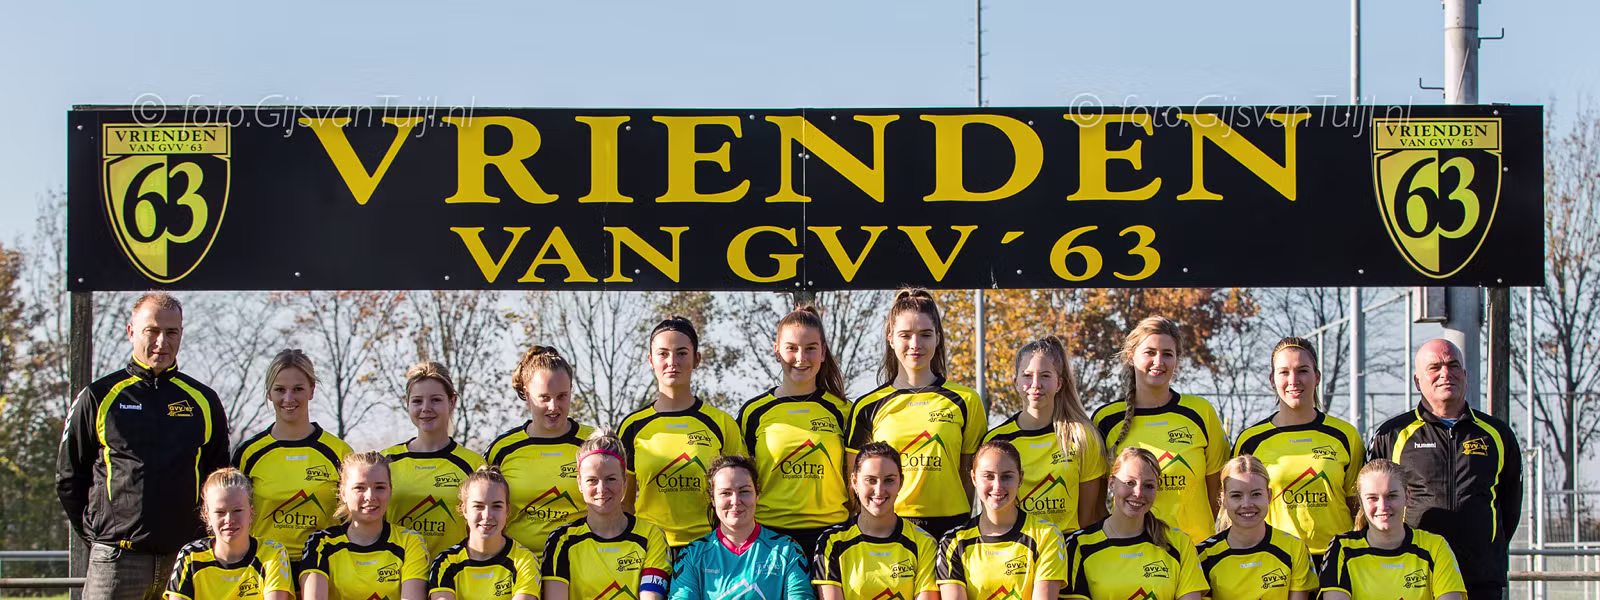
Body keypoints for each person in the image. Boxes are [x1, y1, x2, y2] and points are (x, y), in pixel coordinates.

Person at [57, 291, 231, 600]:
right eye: (152, 330)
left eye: (171, 332)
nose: (162, 341)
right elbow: (70, 479)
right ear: (131, 331)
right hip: (116, 560)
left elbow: (219, 478)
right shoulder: (98, 396)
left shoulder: (204, 400)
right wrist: (100, 537)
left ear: (181, 333)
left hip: (187, 559)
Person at [1368, 338, 1522, 600]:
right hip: (1413, 575)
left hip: (1480, 577)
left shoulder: (1497, 434)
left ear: (1465, 374)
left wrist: (1485, 544)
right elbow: (1370, 501)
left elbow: (1510, 507)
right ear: (1417, 381)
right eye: (1435, 367)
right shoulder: (1391, 434)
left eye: (1453, 365)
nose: (1445, 373)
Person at [848, 289, 985, 539]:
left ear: (938, 338)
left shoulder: (966, 400)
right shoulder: (867, 405)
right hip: (890, 527)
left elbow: (970, 475)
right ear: (891, 338)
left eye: (925, 334)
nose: (915, 344)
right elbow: (855, 483)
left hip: (951, 528)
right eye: (905, 335)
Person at [1091, 315, 1227, 540]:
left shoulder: (1201, 412)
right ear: (1131, 356)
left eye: (1167, 354)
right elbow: (1095, 504)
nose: (1159, 361)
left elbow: (1218, 492)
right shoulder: (1106, 419)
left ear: (1176, 360)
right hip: (1129, 551)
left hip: (1195, 550)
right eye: (1150, 352)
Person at [620, 317, 746, 551]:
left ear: (697, 359)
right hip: (651, 550)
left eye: (681, 353)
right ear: (650, 360)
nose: (672, 362)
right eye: (663, 354)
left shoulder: (721, 423)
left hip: (709, 549)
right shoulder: (632, 426)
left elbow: (743, 493)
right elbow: (624, 505)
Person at [1232, 337, 1363, 558]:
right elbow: (1237, 507)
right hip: (1275, 557)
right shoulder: (1251, 440)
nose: (1293, 380)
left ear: (1317, 376)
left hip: (1337, 557)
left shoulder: (1345, 435)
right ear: (1272, 379)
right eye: (1284, 372)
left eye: (1302, 370)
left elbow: (1357, 507)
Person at [738, 305, 851, 557]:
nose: (801, 357)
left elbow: (857, 476)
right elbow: (739, 479)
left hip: (832, 534)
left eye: (810, 348)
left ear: (823, 352)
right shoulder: (753, 412)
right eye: (791, 348)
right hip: (769, 536)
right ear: (777, 350)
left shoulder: (843, 410)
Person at [232, 349, 354, 551]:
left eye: (298, 389)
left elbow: (355, 518)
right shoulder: (248, 453)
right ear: (269, 393)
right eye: (280, 390)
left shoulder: (339, 452)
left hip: (324, 564)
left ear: (312, 390)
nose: (288, 398)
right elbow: (231, 515)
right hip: (264, 564)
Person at [983, 336, 1108, 532]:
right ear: (1016, 382)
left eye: (1045, 376)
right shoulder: (996, 441)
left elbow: (1088, 519)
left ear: (1059, 383)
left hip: (1068, 546)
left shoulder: (1082, 437)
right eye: (1027, 375)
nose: (1036, 384)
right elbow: (992, 513)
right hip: (1017, 546)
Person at [486, 346, 596, 556]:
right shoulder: (502, 449)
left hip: (581, 561)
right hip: (518, 564)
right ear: (527, 394)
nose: (554, 406)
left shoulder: (594, 442)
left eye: (562, 396)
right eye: (544, 398)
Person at [1061, 447, 1206, 600]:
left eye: (1148, 486)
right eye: (1130, 483)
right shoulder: (1079, 545)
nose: (1138, 493)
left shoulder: (1180, 543)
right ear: (1111, 483)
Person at [542, 431, 671, 600]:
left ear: (625, 481)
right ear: (579, 483)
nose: (602, 489)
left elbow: (651, 597)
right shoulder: (561, 540)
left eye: (611, 479)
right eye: (592, 480)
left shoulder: (652, 536)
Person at [936, 440, 1068, 600]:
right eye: (988, 476)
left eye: (1006, 477)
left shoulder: (1047, 535)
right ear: (973, 478)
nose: (997, 486)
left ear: (1020, 478)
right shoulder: (953, 542)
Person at [670, 455, 813, 600]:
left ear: (757, 494)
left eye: (744, 491)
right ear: (713, 499)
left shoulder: (787, 550)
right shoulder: (691, 555)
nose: (735, 501)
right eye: (725, 493)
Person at [1318, 459, 1466, 600]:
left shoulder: (1435, 546)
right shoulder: (1342, 547)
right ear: (1360, 501)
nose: (1383, 506)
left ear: (1407, 496)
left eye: (1392, 496)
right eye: (1373, 498)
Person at [383, 362, 488, 557]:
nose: (426, 408)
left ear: (452, 401)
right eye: (417, 401)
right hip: (394, 572)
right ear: (407, 403)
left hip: (453, 573)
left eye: (436, 400)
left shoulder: (474, 465)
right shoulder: (385, 462)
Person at [813, 442, 939, 600]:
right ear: (854, 482)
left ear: (901, 483)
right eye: (871, 480)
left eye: (889, 480)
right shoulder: (832, 542)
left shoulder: (924, 543)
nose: (879, 491)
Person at [297, 451, 430, 600]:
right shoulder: (321, 543)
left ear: (390, 491)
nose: (370, 497)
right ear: (343, 493)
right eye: (359, 488)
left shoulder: (410, 542)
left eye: (380, 487)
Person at [1195, 455, 1316, 600]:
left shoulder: (1294, 548)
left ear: (1269, 495)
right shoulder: (1203, 554)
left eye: (1256, 494)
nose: (1247, 504)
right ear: (1224, 499)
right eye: (1236, 496)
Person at [164, 468, 294, 600]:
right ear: (207, 516)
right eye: (220, 512)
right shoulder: (190, 556)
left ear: (251, 512)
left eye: (237, 510)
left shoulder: (273, 554)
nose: (229, 520)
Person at [427, 466, 540, 600]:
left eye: (497, 506)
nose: (487, 515)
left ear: (507, 510)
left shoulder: (524, 560)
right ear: (464, 510)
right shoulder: (445, 562)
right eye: (478, 506)